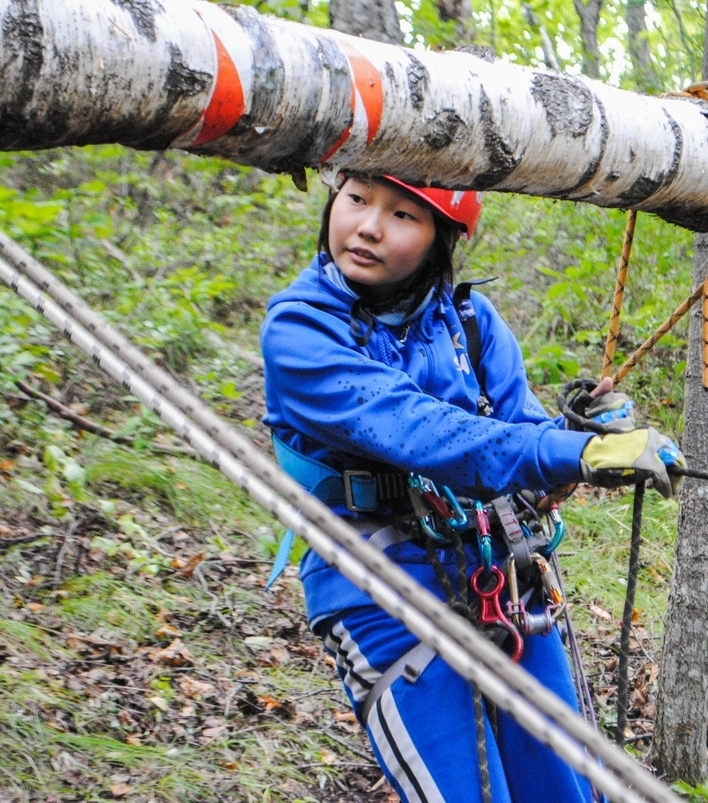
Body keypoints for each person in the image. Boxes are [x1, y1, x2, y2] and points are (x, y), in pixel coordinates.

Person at [260, 173, 685, 803]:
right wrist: (571, 451)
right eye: (354, 200)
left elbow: (521, 427)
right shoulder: (300, 332)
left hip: (502, 573)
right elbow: (425, 432)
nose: (368, 226)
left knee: (562, 788)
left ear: (440, 239)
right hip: (378, 591)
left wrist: (582, 436)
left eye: (403, 214)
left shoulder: (469, 323)